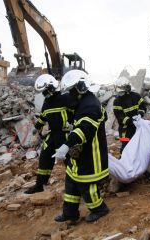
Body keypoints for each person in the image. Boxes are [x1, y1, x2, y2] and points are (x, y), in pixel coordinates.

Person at [52, 70, 110, 223]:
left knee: (86, 185)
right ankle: (69, 213)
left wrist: (66, 145)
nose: (69, 95)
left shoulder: (90, 105)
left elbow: (84, 130)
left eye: (71, 91)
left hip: (92, 155)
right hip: (82, 154)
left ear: (81, 87)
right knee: (71, 182)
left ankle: (99, 209)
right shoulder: (84, 102)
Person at [25, 74, 72, 194]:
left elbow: (76, 112)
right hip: (53, 134)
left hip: (65, 134)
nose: (44, 94)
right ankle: (40, 185)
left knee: (70, 161)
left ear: (51, 88)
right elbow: (44, 116)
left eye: (45, 91)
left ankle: (76, 187)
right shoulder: (47, 101)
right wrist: (37, 126)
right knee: (45, 158)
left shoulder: (65, 97)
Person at [113, 76, 146, 153]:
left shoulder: (136, 96)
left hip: (137, 127)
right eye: (119, 92)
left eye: (122, 91)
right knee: (125, 147)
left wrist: (140, 114)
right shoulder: (117, 101)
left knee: (137, 147)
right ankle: (123, 162)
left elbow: (143, 107)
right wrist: (130, 121)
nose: (120, 93)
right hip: (124, 130)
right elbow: (120, 117)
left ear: (127, 89)